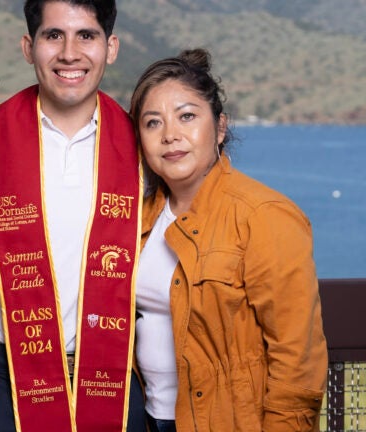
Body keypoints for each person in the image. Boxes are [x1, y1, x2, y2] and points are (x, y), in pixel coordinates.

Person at [0, 0, 146, 430]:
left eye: (86, 35)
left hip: (111, 377)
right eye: (53, 36)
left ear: (111, 47)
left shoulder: (142, 146)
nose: (69, 52)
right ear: (29, 47)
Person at [129, 48, 328, 432]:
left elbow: (297, 355)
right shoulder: (138, 218)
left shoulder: (264, 215)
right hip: (147, 418)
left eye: (187, 116)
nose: (171, 135)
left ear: (220, 127)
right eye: (153, 123)